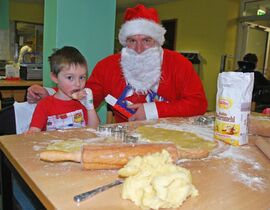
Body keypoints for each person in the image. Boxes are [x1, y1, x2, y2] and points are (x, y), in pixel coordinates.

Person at [27, 4, 207, 123]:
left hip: (172, 138)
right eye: (131, 40)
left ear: (157, 40)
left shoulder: (179, 64)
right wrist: (49, 93)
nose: (138, 48)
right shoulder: (107, 66)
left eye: (146, 40)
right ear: (123, 41)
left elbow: (198, 104)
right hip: (126, 142)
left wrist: (152, 111)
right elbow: (85, 95)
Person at [28, 46, 99, 132]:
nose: (78, 84)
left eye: (82, 77)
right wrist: (31, 133)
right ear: (55, 77)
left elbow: (93, 130)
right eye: (70, 77)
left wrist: (90, 107)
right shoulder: (44, 105)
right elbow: (34, 132)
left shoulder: (82, 103)